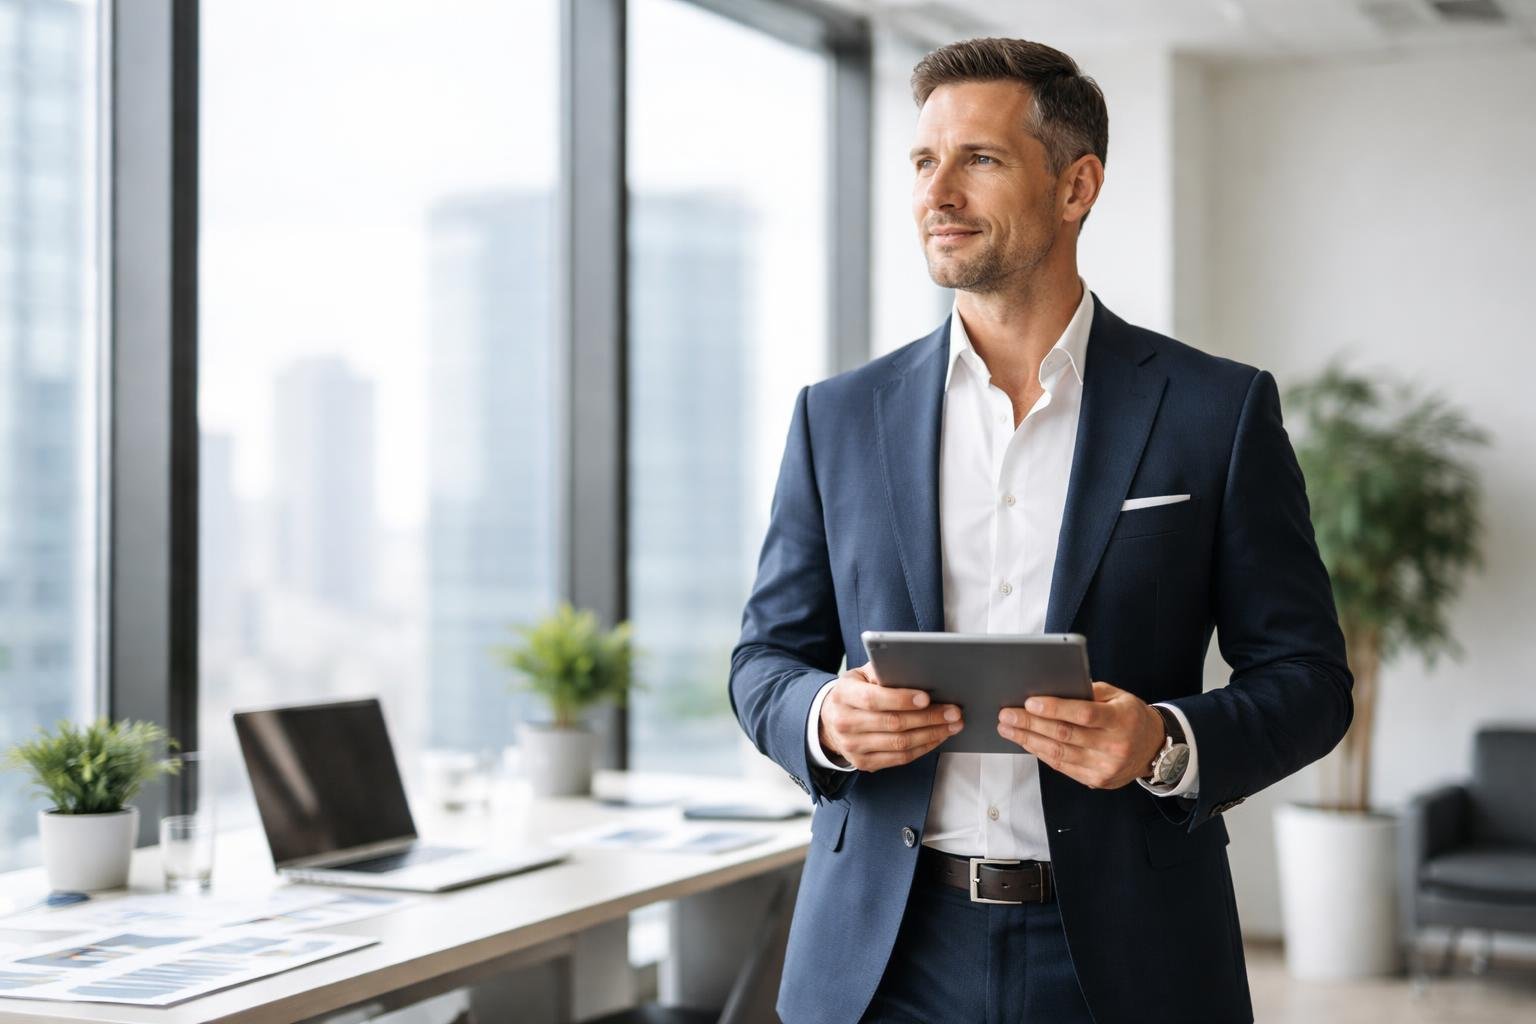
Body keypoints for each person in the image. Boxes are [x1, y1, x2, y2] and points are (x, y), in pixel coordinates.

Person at [728, 37, 1353, 1024]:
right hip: (884, 958)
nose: (938, 193)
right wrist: (820, 717)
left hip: (1127, 953)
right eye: (924, 162)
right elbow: (764, 656)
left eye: (978, 159)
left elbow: (1312, 682)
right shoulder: (837, 417)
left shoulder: (1214, 411)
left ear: (1076, 188)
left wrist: (1165, 739)